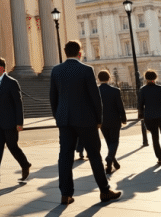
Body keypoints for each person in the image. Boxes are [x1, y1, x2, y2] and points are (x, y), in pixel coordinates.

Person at [49, 41, 121, 205]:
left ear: (65, 52)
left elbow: (53, 98)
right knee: (94, 155)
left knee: (65, 156)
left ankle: (65, 194)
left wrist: (58, 117)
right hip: (86, 119)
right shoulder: (86, 70)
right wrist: (98, 120)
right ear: (80, 53)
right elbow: (95, 98)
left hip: (65, 120)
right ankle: (104, 191)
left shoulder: (56, 70)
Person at [0, 57, 31, 184]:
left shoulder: (12, 82)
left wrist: (20, 123)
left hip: (11, 122)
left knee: (12, 146)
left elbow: (18, 104)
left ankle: (25, 164)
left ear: (1, 68)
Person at [138, 69, 161, 165]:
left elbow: (140, 104)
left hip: (150, 116)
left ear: (146, 78)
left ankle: (159, 158)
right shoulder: (160, 88)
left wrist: (141, 113)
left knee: (155, 137)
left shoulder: (143, 90)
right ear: (155, 77)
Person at [98, 69, 127, 174]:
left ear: (98, 79)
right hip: (114, 119)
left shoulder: (96, 91)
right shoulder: (115, 90)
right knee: (114, 141)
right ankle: (110, 158)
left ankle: (111, 164)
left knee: (109, 142)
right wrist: (123, 118)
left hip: (102, 121)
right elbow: (120, 106)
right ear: (109, 78)